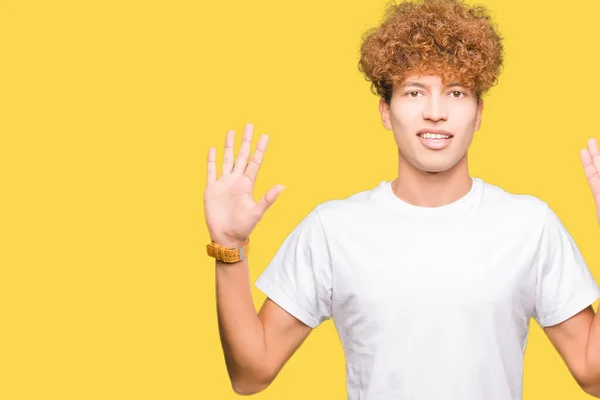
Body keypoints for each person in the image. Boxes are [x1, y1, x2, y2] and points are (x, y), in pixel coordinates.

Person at [203, 0, 600, 398]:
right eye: (414, 91)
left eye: (456, 92)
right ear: (385, 110)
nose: (435, 112)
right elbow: (250, 375)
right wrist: (229, 248)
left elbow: (593, 372)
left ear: (479, 114)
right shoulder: (334, 229)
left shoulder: (529, 225)